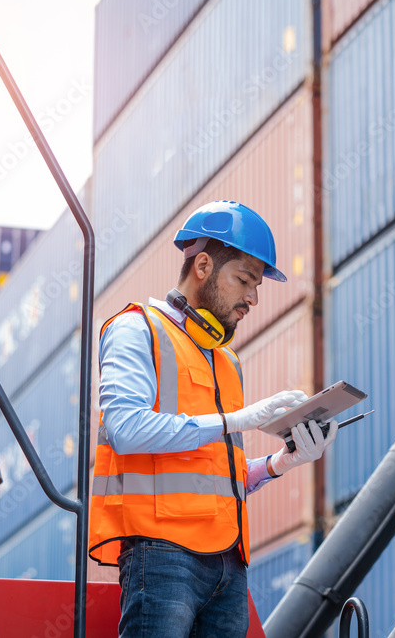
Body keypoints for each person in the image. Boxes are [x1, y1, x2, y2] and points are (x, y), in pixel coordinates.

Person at [89, 200, 336, 637]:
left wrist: (282, 463)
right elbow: (126, 430)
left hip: (229, 562)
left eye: (258, 286)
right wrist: (234, 420)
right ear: (202, 264)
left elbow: (213, 476)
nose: (253, 298)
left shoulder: (225, 360)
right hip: (162, 553)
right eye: (244, 280)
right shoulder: (136, 329)